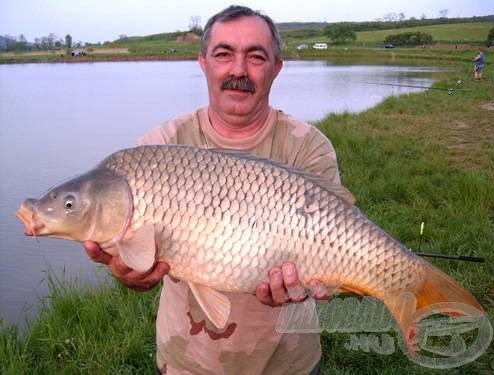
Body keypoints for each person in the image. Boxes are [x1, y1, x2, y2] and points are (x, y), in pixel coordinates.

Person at [85, 5, 349, 374]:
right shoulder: (158, 147)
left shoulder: (308, 146)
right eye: (224, 54)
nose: (238, 70)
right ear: (203, 63)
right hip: (187, 360)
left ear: (277, 68)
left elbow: (338, 247)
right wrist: (129, 275)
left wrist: (315, 281)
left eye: (256, 57)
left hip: (289, 361)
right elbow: (137, 267)